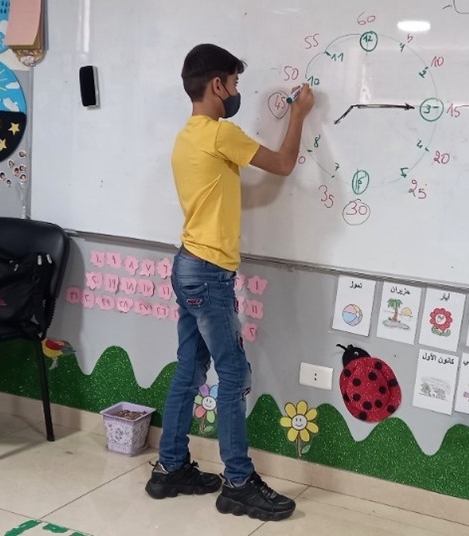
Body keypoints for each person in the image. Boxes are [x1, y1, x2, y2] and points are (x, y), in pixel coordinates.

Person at [144, 43, 314, 522]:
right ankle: (238, 482)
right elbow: (281, 165)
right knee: (233, 374)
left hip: (187, 266)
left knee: (189, 370)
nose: (237, 92)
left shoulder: (186, 136)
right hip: (210, 274)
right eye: (235, 83)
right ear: (217, 85)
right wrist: (298, 114)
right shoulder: (220, 134)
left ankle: (169, 469)